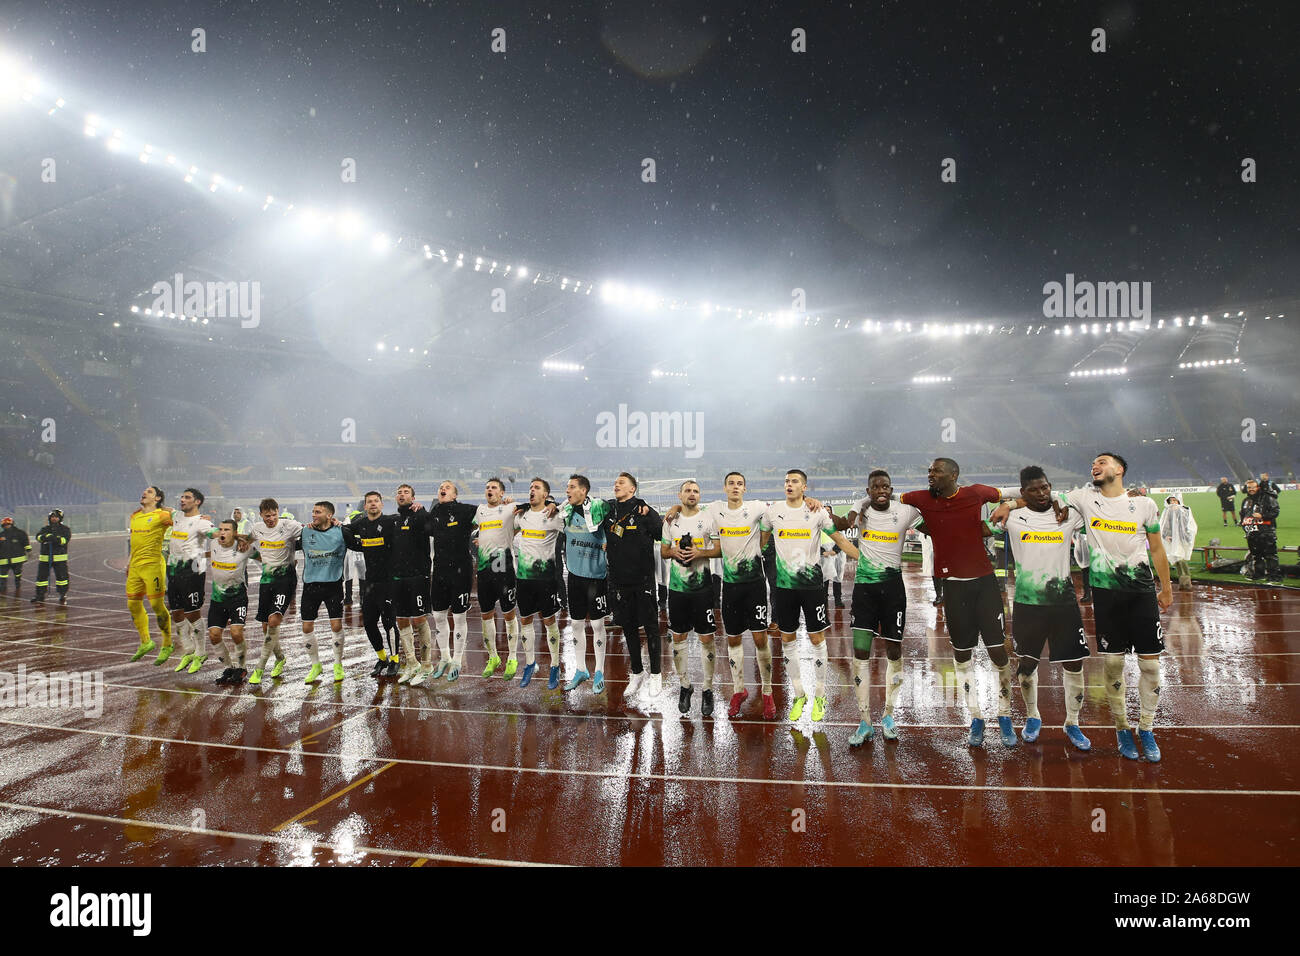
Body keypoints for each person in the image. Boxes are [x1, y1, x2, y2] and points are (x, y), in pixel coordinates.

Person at [992, 452, 1173, 761]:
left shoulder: (1134, 506)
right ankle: (1105, 726)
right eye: (1093, 463)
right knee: (1039, 667)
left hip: (1118, 596)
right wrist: (1010, 504)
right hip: (1071, 599)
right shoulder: (1079, 500)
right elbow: (1026, 498)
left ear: (1119, 469)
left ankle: (1134, 727)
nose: (1095, 466)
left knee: (1143, 666)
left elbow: (1156, 546)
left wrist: (1166, 587)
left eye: (1102, 462)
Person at [899, 459, 1016, 748]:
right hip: (953, 589)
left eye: (936, 471)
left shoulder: (976, 492)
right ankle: (975, 716)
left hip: (984, 585)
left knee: (998, 652)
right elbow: (883, 497)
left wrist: (1008, 507)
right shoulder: (921, 498)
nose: (930, 475)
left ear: (953, 475)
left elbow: (1020, 491)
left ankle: (1004, 714)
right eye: (928, 471)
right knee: (962, 656)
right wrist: (934, 530)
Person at [1002, 466, 1092, 751]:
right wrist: (1012, 502)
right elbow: (981, 506)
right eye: (1034, 490)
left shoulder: (1066, 515)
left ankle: (1073, 723)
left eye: (1046, 488)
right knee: (1026, 665)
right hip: (1028, 604)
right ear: (1023, 492)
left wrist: (1058, 499)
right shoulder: (1012, 517)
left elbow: (1090, 495)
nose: (1042, 493)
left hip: (1064, 602)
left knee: (1074, 663)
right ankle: (1032, 716)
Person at [830, 469, 922, 744]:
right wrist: (819, 509)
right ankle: (864, 721)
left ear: (891, 489)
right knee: (860, 652)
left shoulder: (904, 512)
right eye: (876, 487)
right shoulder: (861, 510)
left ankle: (889, 715)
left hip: (893, 590)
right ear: (868, 490)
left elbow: (935, 524)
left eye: (886, 486)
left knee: (894, 649)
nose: (882, 490)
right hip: (864, 591)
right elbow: (838, 522)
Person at [762, 469, 861, 723]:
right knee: (787, 639)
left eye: (794, 481)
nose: (789, 484)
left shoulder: (817, 512)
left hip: (812, 587)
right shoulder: (772, 513)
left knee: (817, 638)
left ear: (804, 487)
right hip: (784, 588)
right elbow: (759, 541)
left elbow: (839, 539)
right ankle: (798, 695)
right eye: (786, 481)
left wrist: (865, 558)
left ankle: (819, 695)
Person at [601, 472, 665, 701]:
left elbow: (661, 535)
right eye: (615, 481)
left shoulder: (643, 510)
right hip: (618, 581)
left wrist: (649, 514)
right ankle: (637, 672)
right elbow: (579, 503)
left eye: (621, 483)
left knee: (651, 628)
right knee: (627, 628)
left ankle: (656, 674)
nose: (616, 485)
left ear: (633, 489)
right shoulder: (608, 510)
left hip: (643, 581)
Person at [661, 480, 722, 716]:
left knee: (707, 638)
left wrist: (700, 552)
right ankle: (685, 686)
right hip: (677, 589)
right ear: (679, 495)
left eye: (696, 491)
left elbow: (718, 549)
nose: (692, 494)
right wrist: (673, 551)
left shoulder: (708, 518)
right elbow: (663, 551)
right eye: (687, 490)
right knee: (678, 637)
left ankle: (707, 689)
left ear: (700, 495)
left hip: (703, 589)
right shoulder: (671, 520)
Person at [512, 478, 567, 688]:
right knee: (525, 621)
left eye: (536, 488)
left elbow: (571, 508)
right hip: (524, 580)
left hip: (546, 579)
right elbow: (507, 522)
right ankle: (530, 663)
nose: (531, 490)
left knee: (549, 622)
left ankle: (554, 666)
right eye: (530, 488)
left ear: (545, 495)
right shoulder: (522, 515)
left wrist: (556, 504)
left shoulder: (553, 516)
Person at [422, 480, 479, 683]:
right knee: (438, 616)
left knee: (459, 617)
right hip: (439, 571)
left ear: (455, 495)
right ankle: (445, 657)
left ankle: (457, 660)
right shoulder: (433, 513)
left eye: (447, 487)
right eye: (440, 487)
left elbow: (490, 516)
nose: (442, 489)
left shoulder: (465, 510)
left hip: (461, 571)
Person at [558, 474, 611, 692]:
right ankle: (580, 669)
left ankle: (599, 670)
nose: (567, 491)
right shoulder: (565, 512)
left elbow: (618, 508)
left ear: (584, 490)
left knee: (597, 625)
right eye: (567, 487)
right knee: (577, 624)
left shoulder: (600, 509)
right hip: (575, 576)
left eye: (571, 487)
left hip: (596, 577)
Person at [245, 498, 304, 685]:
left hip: (286, 580)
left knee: (273, 620)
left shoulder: (290, 526)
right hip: (266, 580)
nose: (270, 518)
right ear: (261, 514)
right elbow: (246, 545)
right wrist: (257, 557)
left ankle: (260, 668)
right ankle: (280, 658)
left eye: (273, 514)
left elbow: (310, 532)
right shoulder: (256, 529)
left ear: (278, 512)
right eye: (267, 515)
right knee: (266, 627)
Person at [299, 501, 355, 683]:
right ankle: (315, 665)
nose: (313, 515)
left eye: (318, 512)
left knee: (336, 626)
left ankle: (338, 665)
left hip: (333, 586)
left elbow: (360, 544)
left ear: (329, 515)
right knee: (307, 627)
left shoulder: (341, 531)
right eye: (313, 511)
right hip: (310, 586)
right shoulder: (305, 531)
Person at [347, 491, 400, 677]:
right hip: (370, 582)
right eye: (369, 501)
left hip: (388, 582)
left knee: (388, 623)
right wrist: (338, 525)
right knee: (369, 623)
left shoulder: (390, 521)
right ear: (365, 505)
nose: (372, 504)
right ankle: (381, 657)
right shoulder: (360, 524)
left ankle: (395, 659)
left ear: (382, 504)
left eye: (376, 501)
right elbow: (345, 531)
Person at [474, 478, 523, 679]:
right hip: (484, 572)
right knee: (486, 616)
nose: (489, 490)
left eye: (494, 487)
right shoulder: (479, 511)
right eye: (487, 487)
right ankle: (493, 657)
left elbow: (523, 523)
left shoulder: (510, 508)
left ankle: (512, 657)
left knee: (509, 615)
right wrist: (482, 539)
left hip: (504, 570)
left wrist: (514, 505)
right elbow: (476, 530)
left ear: (502, 493)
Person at [389, 484, 436, 684]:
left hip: (419, 575)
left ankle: (427, 664)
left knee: (419, 619)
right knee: (401, 619)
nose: (401, 494)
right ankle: (411, 662)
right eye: (399, 492)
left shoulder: (420, 515)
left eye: (406, 492)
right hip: (398, 576)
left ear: (413, 497)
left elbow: (433, 528)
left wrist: (423, 510)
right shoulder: (394, 520)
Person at [167, 488, 215, 675]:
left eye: (187, 497)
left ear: (197, 502)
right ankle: (188, 649)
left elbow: (217, 533)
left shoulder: (202, 522)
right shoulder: (177, 515)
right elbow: (163, 508)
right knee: (176, 611)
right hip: (174, 569)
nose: (182, 499)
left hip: (193, 570)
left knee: (192, 612)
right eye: (182, 497)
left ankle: (201, 651)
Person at [125, 487, 174, 662]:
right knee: (132, 604)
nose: (144, 493)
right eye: (144, 491)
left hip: (153, 565)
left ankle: (167, 644)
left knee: (156, 605)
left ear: (158, 498)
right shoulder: (134, 516)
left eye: (149, 492)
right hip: (136, 567)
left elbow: (182, 522)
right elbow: (134, 542)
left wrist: (199, 519)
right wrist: (129, 562)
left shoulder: (162, 515)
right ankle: (146, 642)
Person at [209, 519, 258, 685]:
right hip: (217, 599)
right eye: (221, 529)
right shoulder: (213, 543)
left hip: (238, 598)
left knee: (236, 632)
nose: (222, 532)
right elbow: (205, 532)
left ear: (235, 533)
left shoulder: (244, 548)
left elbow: (263, 556)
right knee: (214, 636)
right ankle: (229, 668)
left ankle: (241, 667)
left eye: (227, 530)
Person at [1240, 479, 1282, 582]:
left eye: (1253, 487)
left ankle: (1274, 576)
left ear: (1258, 487)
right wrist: (1244, 524)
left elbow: (1275, 511)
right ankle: (1259, 574)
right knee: (1256, 556)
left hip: (1266, 532)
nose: (1251, 489)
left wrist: (1262, 516)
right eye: (1249, 487)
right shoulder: (1246, 501)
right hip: (1252, 533)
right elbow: (1242, 514)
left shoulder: (1267, 498)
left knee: (1270, 555)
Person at [31, 509, 72, 605]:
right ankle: (40, 595)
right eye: (52, 517)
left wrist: (54, 538)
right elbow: (38, 537)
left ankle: (62, 594)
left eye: (56, 517)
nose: (54, 518)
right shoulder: (45, 529)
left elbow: (64, 540)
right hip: (45, 558)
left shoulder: (65, 529)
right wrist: (45, 537)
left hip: (59, 558)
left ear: (60, 518)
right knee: (41, 579)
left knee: (62, 578)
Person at [1159, 494, 1198, 589]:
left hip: (1182, 540)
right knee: (1176, 559)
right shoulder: (1167, 512)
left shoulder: (1185, 511)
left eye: (1174, 501)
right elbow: (1164, 525)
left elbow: (1188, 525)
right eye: (1171, 501)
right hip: (1172, 540)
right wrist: (1166, 535)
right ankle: (1182, 581)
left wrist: (1185, 536)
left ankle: (1187, 581)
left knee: (1181, 559)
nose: (1172, 503)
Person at [0, 516, 30, 596]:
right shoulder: (1, 535)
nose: (6, 526)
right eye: (5, 525)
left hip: (17, 560)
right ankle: (2, 589)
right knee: (2, 575)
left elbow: (26, 543)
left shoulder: (20, 533)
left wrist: (29, 551)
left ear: (12, 524)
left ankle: (18, 586)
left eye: (8, 524)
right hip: (4, 560)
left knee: (17, 574)